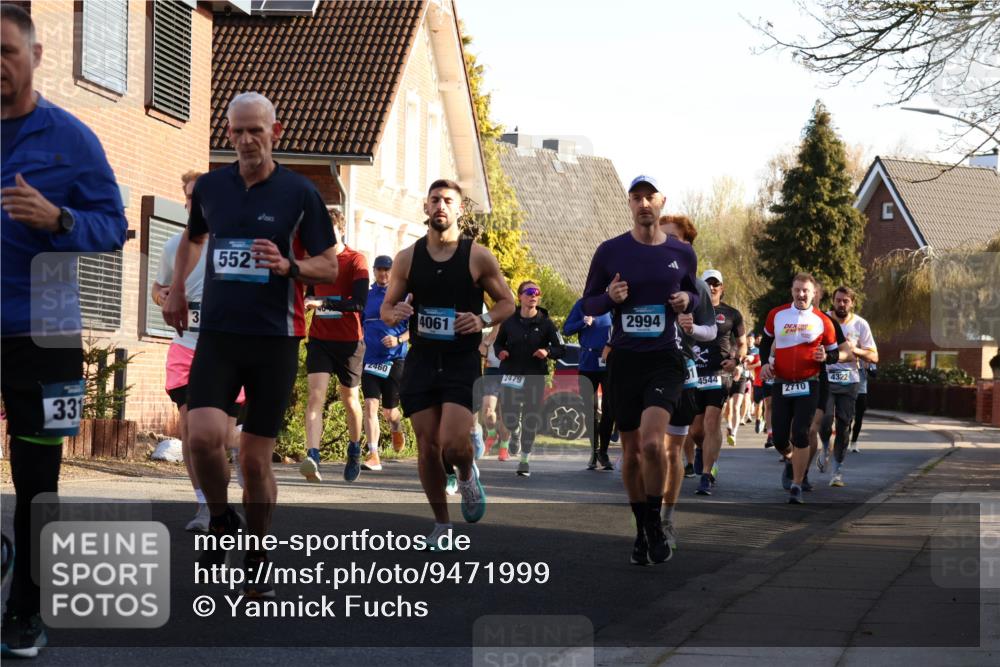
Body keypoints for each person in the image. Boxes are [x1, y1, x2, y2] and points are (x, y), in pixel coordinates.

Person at [162, 92, 338, 595]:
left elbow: (328, 263)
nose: (244, 141)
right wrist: (176, 290)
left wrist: (291, 267)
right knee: (200, 435)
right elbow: (194, 239)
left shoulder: (299, 193)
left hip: (274, 340)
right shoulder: (214, 187)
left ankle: (256, 550)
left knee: (256, 461)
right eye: (236, 131)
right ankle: (220, 518)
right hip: (216, 334)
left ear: (275, 133)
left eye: (254, 131)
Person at [1, 4, 128, 657]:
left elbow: (114, 226)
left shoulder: (71, 139)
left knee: (37, 478)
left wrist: (60, 220)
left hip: (44, 333)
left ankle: (26, 608)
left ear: (35, 56)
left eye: (7, 51)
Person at [381, 179, 515, 549]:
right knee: (427, 445)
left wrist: (483, 320)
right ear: (425, 208)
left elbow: (507, 303)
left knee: (453, 443)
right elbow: (386, 307)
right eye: (435, 200)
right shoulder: (407, 257)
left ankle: (468, 474)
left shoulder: (477, 256)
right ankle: (441, 523)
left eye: (448, 201)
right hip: (422, 360)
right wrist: (398, 312)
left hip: (460, 360)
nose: (441, 205)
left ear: (459, 210)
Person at [581, 175, 698, 566]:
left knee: (653, 443)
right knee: (630, 453)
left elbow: (693, 294)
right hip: (625, 362)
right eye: (637, 198)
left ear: (661, 201)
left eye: (650, 197)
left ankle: (654, 521)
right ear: (629, 204)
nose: (644, 203)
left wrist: (687, 298)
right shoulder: (610, 250)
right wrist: (608, 297)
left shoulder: (682, 253)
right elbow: (588, 305)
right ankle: (643, 527)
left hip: (664, 360)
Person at [152, 171, 245, 531]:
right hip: (185, 347)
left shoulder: (233, 245)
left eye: (202, 197)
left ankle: (239, 452)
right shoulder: (174, 246)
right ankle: (204, 506)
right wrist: (161, 295)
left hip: (228, 351)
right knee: (191, 430)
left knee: (219, 437)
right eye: (190, 198)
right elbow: (157, 287)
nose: (196, 204)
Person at [759, 273, 850, 504]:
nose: (801, 294)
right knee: (780, 438)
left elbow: (838, 352)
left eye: (806, 291)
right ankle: (791, 460)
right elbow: (766, 342)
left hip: (810, 383)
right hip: (781, 382)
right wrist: (764, 365)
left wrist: (827, 356)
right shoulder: (776, 315)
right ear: (792, 291)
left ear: (814, 294)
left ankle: (797, 485)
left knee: (802, 432)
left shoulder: (823, 320)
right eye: (797, 290)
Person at [659, 214, 716, 549]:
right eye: (661, 235)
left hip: (683, 370)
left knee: (672, 452)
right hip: (647, 368)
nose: (665, 242)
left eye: (674, 238)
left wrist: (693, 328)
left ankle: (666, 517)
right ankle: (650, 512)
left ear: (687, 245)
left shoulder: (696, 286)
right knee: (649, 448)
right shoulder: (642, 276)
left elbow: (709, 329)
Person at [301, 209, 369, 482]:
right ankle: (312, 456)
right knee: (315, 395)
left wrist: (324, 303)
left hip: (350, 342)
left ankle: (354, 450)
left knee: (350, 399)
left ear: (340, 230)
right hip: (319, 338)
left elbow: (359, 303)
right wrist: (306, 303)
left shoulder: (356, 260)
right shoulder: (315, 263)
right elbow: (306, 295)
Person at [495, 281, 566, 477]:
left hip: (535, 376)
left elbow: (561, 348)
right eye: (529, 292)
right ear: (520, 296)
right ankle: (514, 430)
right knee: (509, 416)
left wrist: (548, 351)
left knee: (530, 418)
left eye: (537, 292)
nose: (533, 295)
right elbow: (498, 343)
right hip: (511, 374)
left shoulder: (546, 323)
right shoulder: (510, 321)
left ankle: (524, 460)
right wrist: (500, 352)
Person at [688, 269, 746, 496]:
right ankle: (704, 451)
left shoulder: (732, 314)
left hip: (718, 374)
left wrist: (735, 359)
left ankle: (706, 474)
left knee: (712, 422)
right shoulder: (690, 310)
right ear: (700, 287)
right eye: (707, 283)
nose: (712, 287)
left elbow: (742, 343)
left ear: (722, 288)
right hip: (693, 375)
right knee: (695, 430)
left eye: (716, 284)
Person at [818, 286, 878, 486]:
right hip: (825, 378)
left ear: (852, 303)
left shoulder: (861, 324)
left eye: (845, 301)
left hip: (850, 380)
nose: (841, 304)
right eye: (838, 300)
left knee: (844, 426)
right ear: (833, 301)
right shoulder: (822, 319)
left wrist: (857, 350)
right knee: (825, 419)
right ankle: (826, 446)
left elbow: (874, 356)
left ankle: (837, 471)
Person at [360, 255, 409, 470]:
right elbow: (359, 323)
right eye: (379, 269)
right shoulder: (368, 296)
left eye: (387, 269)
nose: (383, 273)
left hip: (395, 358)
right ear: (374, 271)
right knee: (370, 405)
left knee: (390, 412)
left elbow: (414, 331)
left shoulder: (403, 297)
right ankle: (373, 455)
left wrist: (397, 339)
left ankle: (396, 427)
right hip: (370, 359)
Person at [562, 296, 614, 470]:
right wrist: (582, 322)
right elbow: (566, 329)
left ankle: (604, 453)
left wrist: (611, 345)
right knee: (589, 409)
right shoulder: (582, 304)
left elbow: (621, 330)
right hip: (587, 363)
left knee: (609, 408)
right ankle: (594, 451)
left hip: (609, 362)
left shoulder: (612, 304)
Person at [478, 324, 512, 460]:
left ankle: (504, 446)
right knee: (487, 410)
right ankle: (492, 433)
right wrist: (492, 335)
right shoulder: (488, 333)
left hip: (510, 373)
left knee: (507, 413)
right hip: (491, 372)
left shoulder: (515, 330)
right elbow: (480, 351)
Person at [851, 361, 875, 451]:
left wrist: (868, 368)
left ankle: (854, 442)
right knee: (847, 418)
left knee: (858, 418)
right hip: (849, 391)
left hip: (862, 392)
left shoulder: (868, 358)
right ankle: (843, 441)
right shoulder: (850, 355)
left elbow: (874, 374)